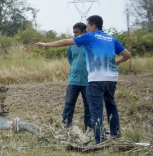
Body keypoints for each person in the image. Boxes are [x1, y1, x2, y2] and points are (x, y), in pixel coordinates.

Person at [36, 15, 131, 144]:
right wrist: (117, 63)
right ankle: (116, 136)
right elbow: (127, 55)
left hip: (96, 79)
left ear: (93, 26)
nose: (86, 28)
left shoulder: (89, 36)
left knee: (95, 109)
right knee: (111, 105)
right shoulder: (111, 39)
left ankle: (100, 141)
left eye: (87, 26)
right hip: (112, 78)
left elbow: (64, 42)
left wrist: (46, 44)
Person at [61, 22, 91, 131]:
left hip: (88, 80)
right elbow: (70, 60)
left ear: (84, 31)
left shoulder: (90, 43)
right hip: (73, 80)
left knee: (89, 106)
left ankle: (89, 127)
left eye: (76, 32)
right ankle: (65, 126)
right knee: (69, 104)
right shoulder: (71, 45)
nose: (74, 35)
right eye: (73, 33)